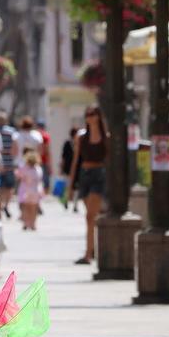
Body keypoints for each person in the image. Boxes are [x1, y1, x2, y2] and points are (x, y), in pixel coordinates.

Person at [68, 107, 108, 264]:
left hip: (99, 174)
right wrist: (71, 185)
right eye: (87, 115)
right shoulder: (81, 137)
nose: (89, 118)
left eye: (92, 115)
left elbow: (110, 160)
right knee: (91, 217)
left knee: (90, 216)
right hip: (85, 175)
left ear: (98, 116)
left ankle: (88, 254)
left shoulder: (106, 137)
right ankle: (93, 249)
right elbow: (75, 161)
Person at [0, 119, 19, 220]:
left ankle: (0, 208)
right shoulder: (12, 132)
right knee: (9, 188)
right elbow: (15, 150)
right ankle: (6, 205)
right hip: (9, 164)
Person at [17, 148, 44, 232]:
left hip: (26, 190)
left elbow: (20, 177)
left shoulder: (24, 168)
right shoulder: (38, 169)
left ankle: (26, 223)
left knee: (26, 208)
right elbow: (40, 179)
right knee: (34, 208)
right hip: (36, 190)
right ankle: (33, 224)